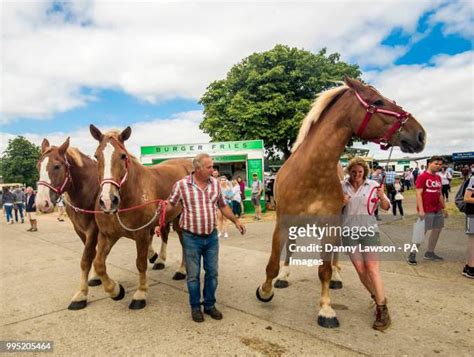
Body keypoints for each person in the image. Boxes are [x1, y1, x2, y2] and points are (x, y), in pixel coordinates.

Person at [166, 153, 245, 323]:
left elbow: (222, 206)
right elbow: (171, 203)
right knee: (193, 275)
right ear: (197, 169)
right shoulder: (181, 185)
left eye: (212, 166)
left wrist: (236, 221)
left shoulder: (215, 185)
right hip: (191, 238)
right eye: (209, 167)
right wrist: (160, 213)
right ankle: (195, 307)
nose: (213, 170)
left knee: (212, 273)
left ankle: (209, 305)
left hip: (211, 238)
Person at [341, 157, 392, 331]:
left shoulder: (373, 186)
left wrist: (381, 197)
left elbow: (386, 207)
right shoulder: (342, 186)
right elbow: (332, 208)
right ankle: (379, 296)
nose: (356, 175)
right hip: (349, 232)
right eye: (353, 172)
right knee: (361, 270)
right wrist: (341, 202)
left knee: (371, 268)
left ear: (365, 172)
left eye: (360, 172)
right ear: (349, 171)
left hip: (369, 230)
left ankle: (381, 309)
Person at [407, 156, 447, 265]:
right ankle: (412, 253)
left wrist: (444, 207)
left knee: (437, 230)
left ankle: (430, 252)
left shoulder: (438, 178)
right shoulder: (422, 176)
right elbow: (418, 194)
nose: (438, 166)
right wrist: (421, 210)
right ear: (429, 163)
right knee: (421, 232)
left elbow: (439, 194)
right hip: (426, 209)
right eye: (436, 163)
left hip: (437, 209)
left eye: (440, 164)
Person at [462, 172, 474, 278]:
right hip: (472, 213)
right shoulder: (473, 179)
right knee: (472, 241)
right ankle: (470, 268)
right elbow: (467, 198)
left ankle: (468, 265)